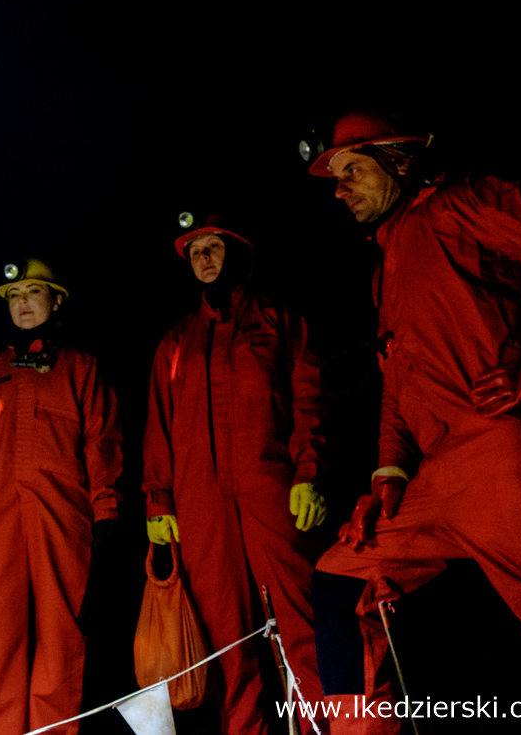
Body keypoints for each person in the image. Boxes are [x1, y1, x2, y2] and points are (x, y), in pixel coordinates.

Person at [308, 111, 521, 734]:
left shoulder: (463, 203)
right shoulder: (389, 260)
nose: (338, 186)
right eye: (334, 174)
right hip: (432, 476)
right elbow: (397, 381)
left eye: (352, 169)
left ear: (400, 160)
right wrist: (390, 470)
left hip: (495, 452)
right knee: (338, 577)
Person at [142, 216, 329, 735]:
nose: (203, 257)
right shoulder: (176, 341)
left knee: (300, 623)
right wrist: (158, 500)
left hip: (272, 489)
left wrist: (309, 473)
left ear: (237, 250)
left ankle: (323, 729)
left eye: (212, 246)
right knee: (227, 640)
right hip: (201, 505)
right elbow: (158, 424)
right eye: (194, 250)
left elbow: (310, 400)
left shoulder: (279, 319)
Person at [0, 259, 123, 735]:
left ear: (57, 300)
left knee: (59, 636)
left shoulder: (81, 367)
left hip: (62, 515)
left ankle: (53, 731)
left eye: (33, 292)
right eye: (14, 296)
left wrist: (106, 507)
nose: (22, 303)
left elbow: (101, 442)